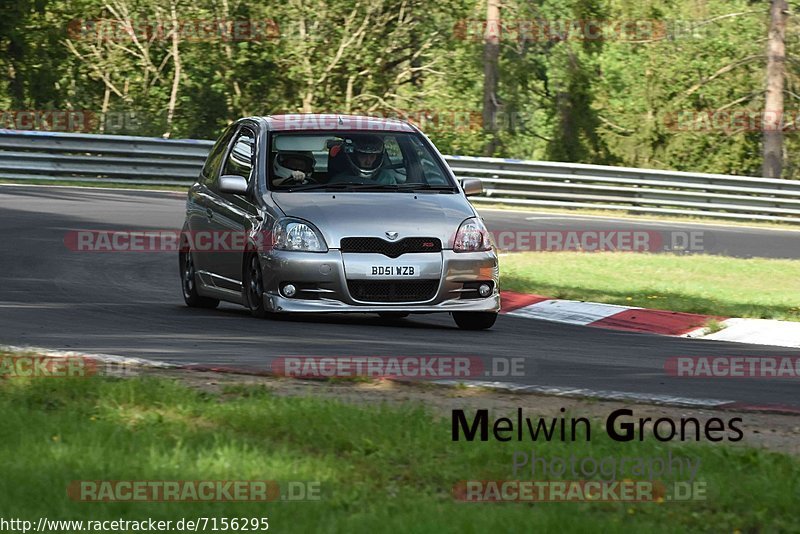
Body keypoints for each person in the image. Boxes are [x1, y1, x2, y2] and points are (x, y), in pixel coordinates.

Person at [331, 135, 400, 185]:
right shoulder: (339, 181)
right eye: (363, 156)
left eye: (372, 156)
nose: (368, 161)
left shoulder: (388, 179)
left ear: (378, 157)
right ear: (354, 156)